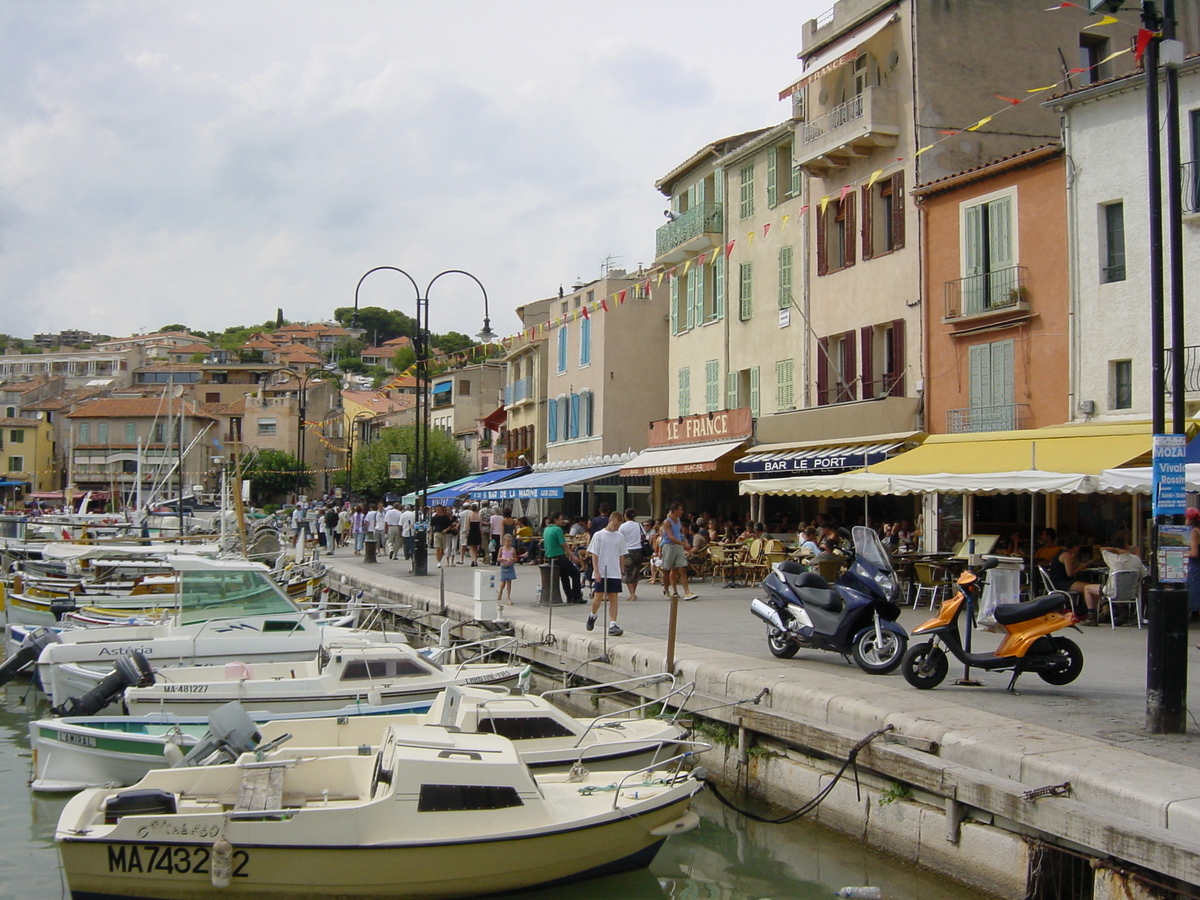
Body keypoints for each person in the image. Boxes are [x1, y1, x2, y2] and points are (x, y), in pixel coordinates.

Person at [1047, 533, 1103, 624]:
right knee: (1090, 588)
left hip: (1061, 580)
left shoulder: (1062, 552)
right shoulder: (1066, 555)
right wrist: (1082, 567)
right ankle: (1093, 613)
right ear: (1075, 546)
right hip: (1062, 582)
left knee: (1090, 586)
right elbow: (1070, 573)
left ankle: (1094, 612)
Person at [586, 511, 626, 636]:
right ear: (610, 521)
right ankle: (592, 615)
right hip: (602, 570)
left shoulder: (620, 536)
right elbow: (594, 554)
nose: (616, 528)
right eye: (614, 525)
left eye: (618, 526)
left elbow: (622, 555)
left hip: (614, 571)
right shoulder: (599, 535)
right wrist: (596, 570)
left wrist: (622, 571)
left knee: (613, 597)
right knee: (598, 597)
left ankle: (613, 623)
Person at [660, 503, 698, 601]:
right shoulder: (667, 522)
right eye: (680, 510)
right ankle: (666, 589)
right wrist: (683, 544)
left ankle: (687, 592)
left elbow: (681, 533)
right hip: (669, 546)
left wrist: (685, 543)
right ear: (675, 510)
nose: (682, 512)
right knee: (667, 570)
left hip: (678, 546)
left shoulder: (678, 520)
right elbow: (670, 536)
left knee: (682, 569)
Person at [543, 511, 583, 603]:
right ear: (556, 520)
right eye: (561, 519)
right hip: (559, 557)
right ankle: (577, 597)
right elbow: (563, 545)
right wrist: (573, 557)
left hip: (550, 557)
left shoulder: (546, 529)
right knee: (575, 574)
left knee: (564, 577)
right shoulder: (557, 530)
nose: (562, 521)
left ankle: (569, 596)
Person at [618, 508, 644, 603]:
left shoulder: (623, 526)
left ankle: (632, 594)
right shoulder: (638, 525)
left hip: (628, 550)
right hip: (638, 549)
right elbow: (643, 536)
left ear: (625, 516)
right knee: (636, 571)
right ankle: (634, 592)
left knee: (628, 572)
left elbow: (619, 538)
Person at [496, 533, 518, 605]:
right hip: (504, 566)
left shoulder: (512, 549)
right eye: (507, 541)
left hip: (510, 566)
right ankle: (500, 591)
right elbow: (498, 558)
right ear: (504, 542)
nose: (509, 543)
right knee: (503, 581)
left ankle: (508, 597)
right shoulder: (502, 549)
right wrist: (503, 559)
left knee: (509, 582)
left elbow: (516, 558)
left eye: (510, 541)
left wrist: (512, 559)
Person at [1187, 508, 1200, 625]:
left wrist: (1181, 553)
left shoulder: (1193, 532)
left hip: (1195, 567)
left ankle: (1193, 612)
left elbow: (1194, 552)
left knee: (1193, 590)